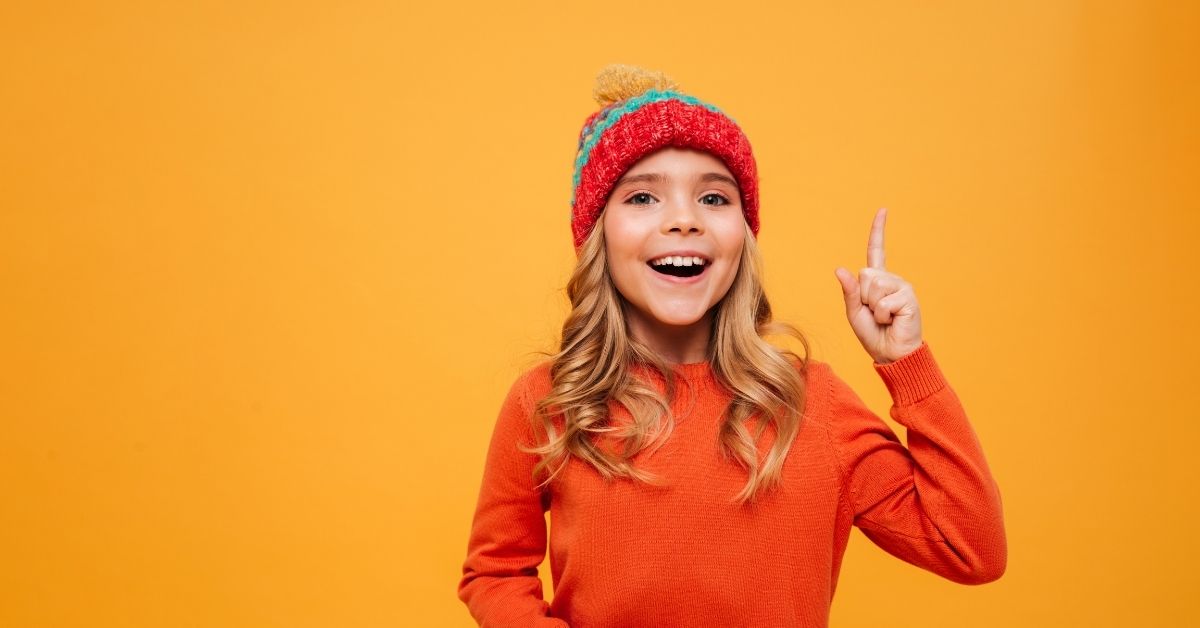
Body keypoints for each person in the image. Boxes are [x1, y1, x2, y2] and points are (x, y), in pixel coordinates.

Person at [457, 64, 1006, 627]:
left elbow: (969, 547)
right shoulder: (550, 400)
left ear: (743, 236)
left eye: (714, 199)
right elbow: (495, 572)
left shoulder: (814, 404)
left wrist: (905, 363)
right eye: (643, 197)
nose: (684, 221)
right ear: (598, 234)